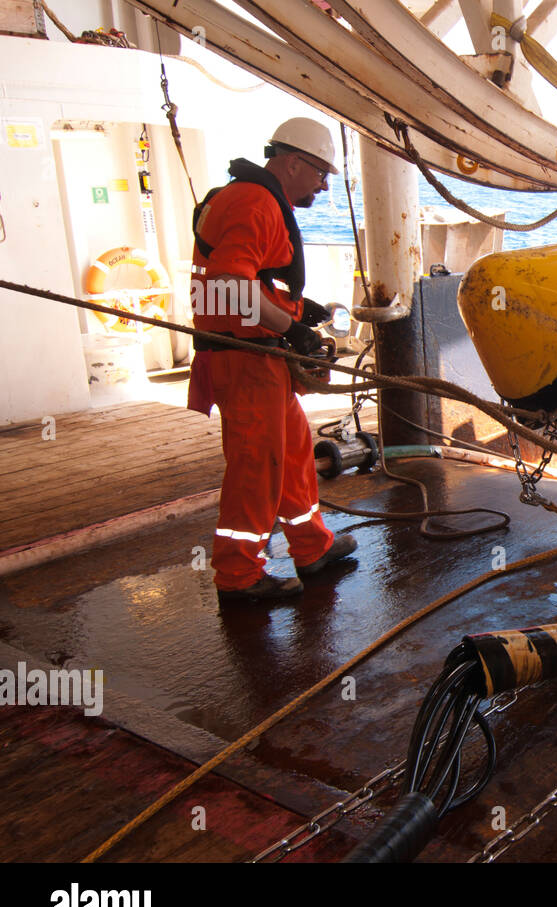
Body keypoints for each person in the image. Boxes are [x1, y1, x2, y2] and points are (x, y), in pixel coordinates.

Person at [187, 118, 356, 602]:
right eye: (321, 174)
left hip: (260, 356)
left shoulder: (253, 198)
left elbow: (254, 280)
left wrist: (301, 310)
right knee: (255, 466)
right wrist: (294, 330)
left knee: (295, 453)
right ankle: (238, 577)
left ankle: (311, 548)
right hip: (244, 360)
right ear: (293, 162)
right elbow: (230, 284)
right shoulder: (255, 201)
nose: (324, 186)